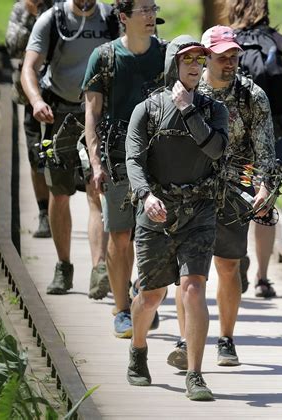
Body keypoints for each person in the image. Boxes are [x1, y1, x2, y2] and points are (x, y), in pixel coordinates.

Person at [167, 25, 276, 370]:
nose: (229, 62)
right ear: (205, 57)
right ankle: (186, 340)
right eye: (222, 56)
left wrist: (265, 187)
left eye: (234, 56)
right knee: (189, 272)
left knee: (229, 267)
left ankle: (226, 338)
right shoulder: (186, 91)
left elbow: (266, 149)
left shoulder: (251, 96)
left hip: (232, 192)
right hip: (190, 191)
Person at [125, 35, 228, 400]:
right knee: (151, 295)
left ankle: (196, 374)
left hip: (199, 211)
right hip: (157, 211)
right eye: (187, 60)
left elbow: (216, 150)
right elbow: (134, 160)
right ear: (173, 64)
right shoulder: (147, 110)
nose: (195, 66)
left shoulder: (214, 109)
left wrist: (188, 110)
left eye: (200, 60)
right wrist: (145, 195)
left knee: (194, 288)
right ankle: (138, 351)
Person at [21, 0, 117, 297]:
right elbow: (29, 68)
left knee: (95, 189)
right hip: (59, 111)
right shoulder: (53, 20)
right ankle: (64, 267)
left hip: (98, 113)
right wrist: (37, 101)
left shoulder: (110, 18)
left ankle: (99, 269)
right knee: (59, 193)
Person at [82, 0, 166, 338]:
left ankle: (144, 296)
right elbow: (91, 115)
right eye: (143, 10)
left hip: (159, 157)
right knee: (119, 234)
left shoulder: (166, 54)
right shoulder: (104, 58)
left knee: (156, 232)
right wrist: (96, 164)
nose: (151, 16)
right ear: (122, 18)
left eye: (153, 8)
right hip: (116, 157)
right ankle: (120, 310)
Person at [226, 0, 282, 298]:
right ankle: (263, 278)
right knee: (266, 206)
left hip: (236, 133)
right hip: (277, 131)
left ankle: (237, 259)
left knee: (233, 200)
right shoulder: (280, 42)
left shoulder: (226, 40)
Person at [5, 0, 52, 238]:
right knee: (35, 156)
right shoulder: (20, 9)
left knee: (57, 153)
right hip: (28, 94)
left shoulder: (62, 7)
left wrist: (43, 14)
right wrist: (29, 16)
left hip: (57, 91)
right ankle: (44, 214)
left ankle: (56, 210)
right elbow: (12, 47)